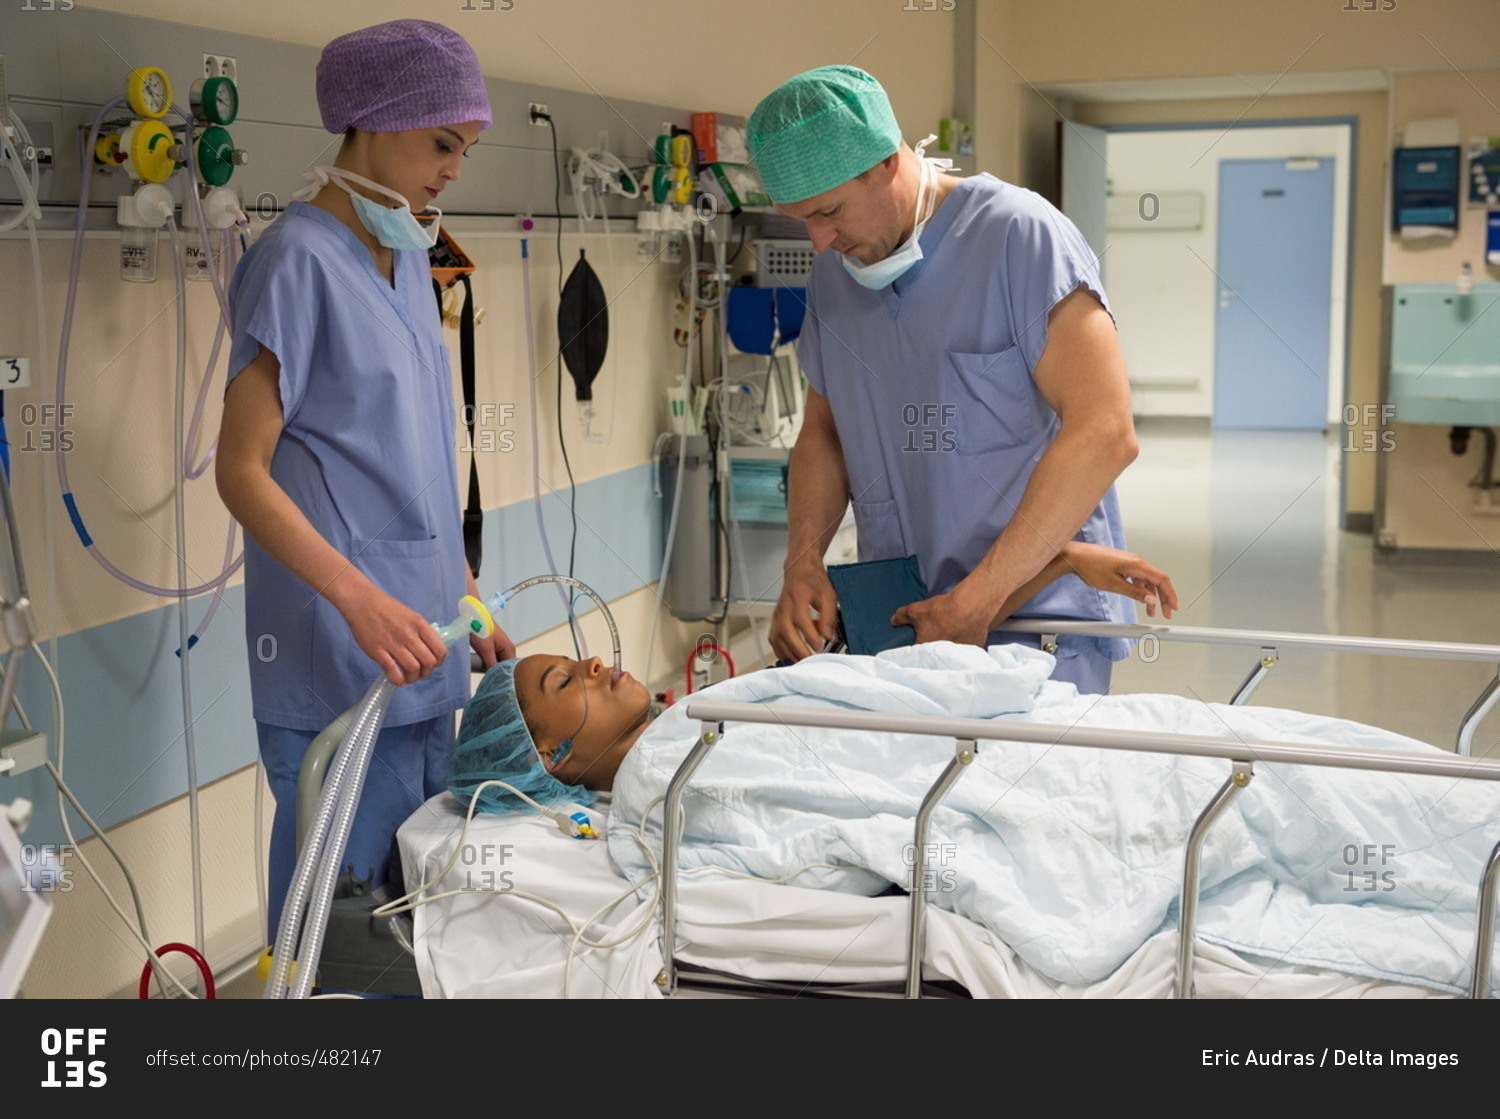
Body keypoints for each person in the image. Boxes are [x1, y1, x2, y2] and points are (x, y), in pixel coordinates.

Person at [216, 19, 514, 943]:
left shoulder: (413, 260)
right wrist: (359, 599)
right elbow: (240, 472)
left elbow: (413, 454)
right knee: (339, 943)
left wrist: (465, 596)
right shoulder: (295, 262)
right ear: (373, 122)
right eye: (440, 144)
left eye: (463, 149)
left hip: (427, 653)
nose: (452, 169)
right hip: (340, 658)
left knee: (417, 927)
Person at [746, 66, 1141, 694]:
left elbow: (1106, 430)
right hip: (905, 623)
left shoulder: (1018, 235)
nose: (819, 242)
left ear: (884, 162)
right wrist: (804, 560)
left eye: (828, 212)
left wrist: (979, 600)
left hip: (1035, 626)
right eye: (802, 222)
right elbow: (823, 431)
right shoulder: (835, 274)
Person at [449, 542, 1175, 811]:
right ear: (552, 758)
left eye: (575, 656)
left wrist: (1065, 560)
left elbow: (913, 655)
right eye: (565, 681)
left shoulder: (697, 724)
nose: (597, 661)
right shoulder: (665, 781)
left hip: (1014, 743)